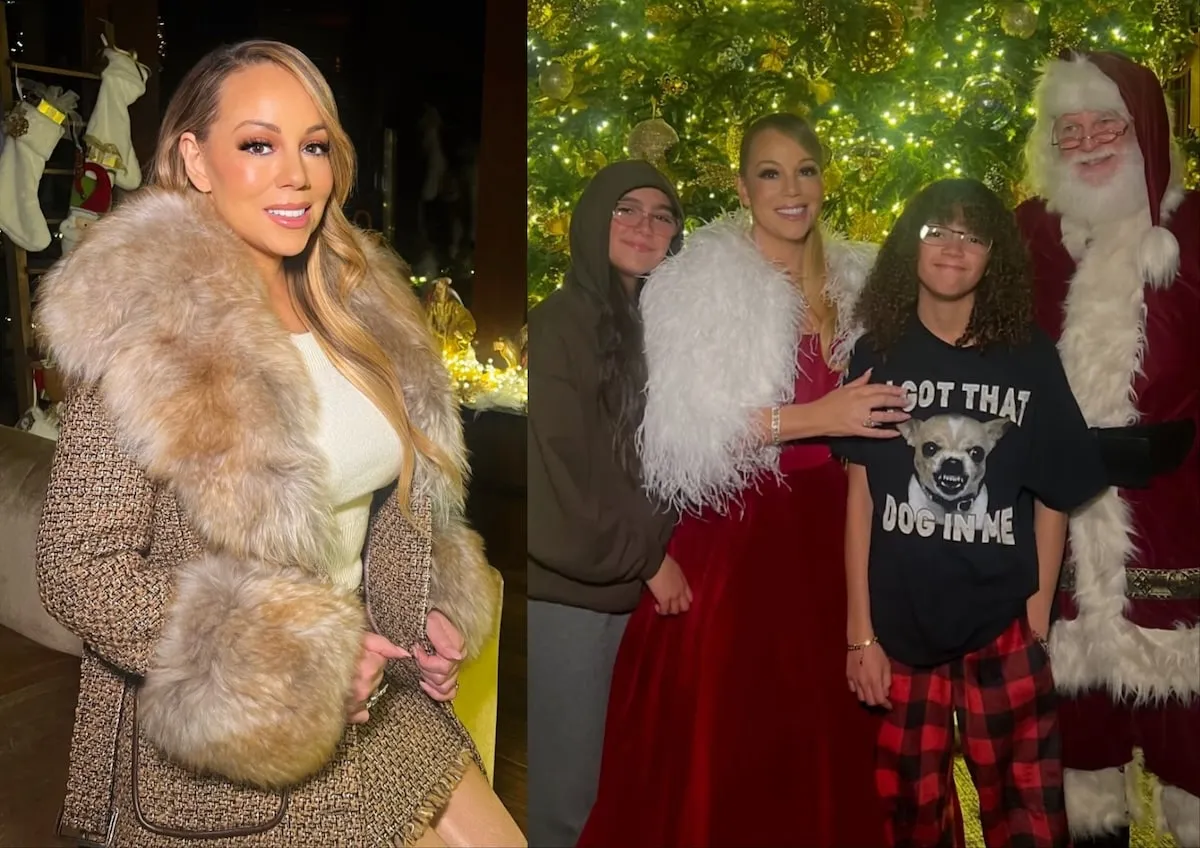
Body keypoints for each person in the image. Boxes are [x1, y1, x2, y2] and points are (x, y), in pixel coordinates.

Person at [33, 40, 524, 848]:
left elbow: (394, 505)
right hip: (233, 741)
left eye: (315, 145)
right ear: (194, 158)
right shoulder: (146, 331)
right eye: (258, 144)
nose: (296, 174)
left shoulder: (365, 313)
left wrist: (429, 612)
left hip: (379, 706)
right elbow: (79, 568)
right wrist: (297, 661)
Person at [579, 113, 901, 848]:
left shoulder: (870, 281)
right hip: (743, 539)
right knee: (732, 742)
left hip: (844, 532)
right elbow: (690, 430)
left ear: (825, 179)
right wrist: (822, 415)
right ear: (742, 187)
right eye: (770, 172)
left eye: (805, 170)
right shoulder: (699, 284)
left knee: (833, 739)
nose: (792, 189)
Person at [836, 178, 1108, 847]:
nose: (954, 249)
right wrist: (860, 633)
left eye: (973, 236)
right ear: (911, 246)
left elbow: (1054, 489)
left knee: (1028, 812)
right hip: (900, 628)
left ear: (994, 257)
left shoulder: (1027, 356)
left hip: (1002, 623)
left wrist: (1038, 608)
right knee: (911, 811)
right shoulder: (879, 353)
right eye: (938, 231)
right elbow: (861, 496)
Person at [1016, 49, 1200, 847]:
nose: (1088, 142)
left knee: (1188, 736)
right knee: (1079, 746)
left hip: (1177, 519)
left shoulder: (1193, 229)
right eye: (1070, 130)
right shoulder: (1029, 235)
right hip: (1058, 530)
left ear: (1146, 131)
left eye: (1107, 126)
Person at [526, 160, 685, 848]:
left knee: (620, 786)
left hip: (636, 595)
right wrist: (650, 558)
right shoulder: (560, 324)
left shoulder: (664, 329)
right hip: (573, 595)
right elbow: (565, 477)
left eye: (661, 213)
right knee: (570, 802)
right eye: (626, 209)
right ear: (594, 220)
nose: (644, 226)